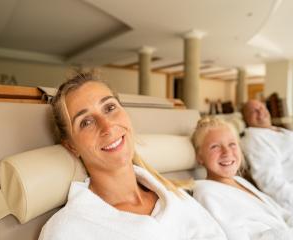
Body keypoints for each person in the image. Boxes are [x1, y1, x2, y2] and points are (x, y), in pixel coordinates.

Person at [38, 71, 227, 240]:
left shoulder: (176, 198)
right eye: (86, 122)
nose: (107, 126)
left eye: (110, 108)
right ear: (71, 146)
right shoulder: (66, 230)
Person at [191, 117, 293, 240]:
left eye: (232, 144)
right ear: (199, 157)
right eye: (215, 147)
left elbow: (281, 214)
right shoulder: (206, 193)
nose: (227, 152)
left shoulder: (239, 181)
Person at [241, 99, 293, 212]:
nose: (260, 112)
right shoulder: (254, 139)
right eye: (254, 111)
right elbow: (271, 182)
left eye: (262, 108)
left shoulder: (279, 130)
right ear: (245, 118)